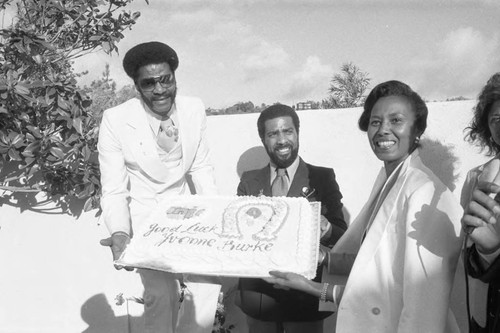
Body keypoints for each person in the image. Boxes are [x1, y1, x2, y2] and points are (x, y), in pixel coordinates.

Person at [265, 81, 464, 332]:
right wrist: (321, 265)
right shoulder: (388, 181)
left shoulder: (423, 192)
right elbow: (376, 278)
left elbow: (423, 308)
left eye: (396, 120)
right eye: (375, 122)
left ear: (417, 129)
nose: (383, 130)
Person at [97, 41, 221, 333]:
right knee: (161, 295)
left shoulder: (194, 109)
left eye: (165, 79)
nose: (160, 89)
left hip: (187, 217)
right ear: (137, 86)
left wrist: (215, 213)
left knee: (207, 281)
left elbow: (200, 167)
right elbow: (114, 188)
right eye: (149, 83)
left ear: (174, 76)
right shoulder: (116, 120)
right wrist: (119, 233)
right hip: (145, 221)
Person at [236, 104, 347, 333]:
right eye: (273, 133)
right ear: (263, 139)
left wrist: (325, 228)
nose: (282, 140)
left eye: (288, 131)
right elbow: (239, 236)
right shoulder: (249, 181)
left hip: (305, 298)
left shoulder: (322, 177)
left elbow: (340, 234)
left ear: (297, 133)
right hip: (259, 297)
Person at [461, 72, 500, 333]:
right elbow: (470, 260)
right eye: (496, 119)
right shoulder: (477, 178)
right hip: (487, 316)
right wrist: (489, 251)